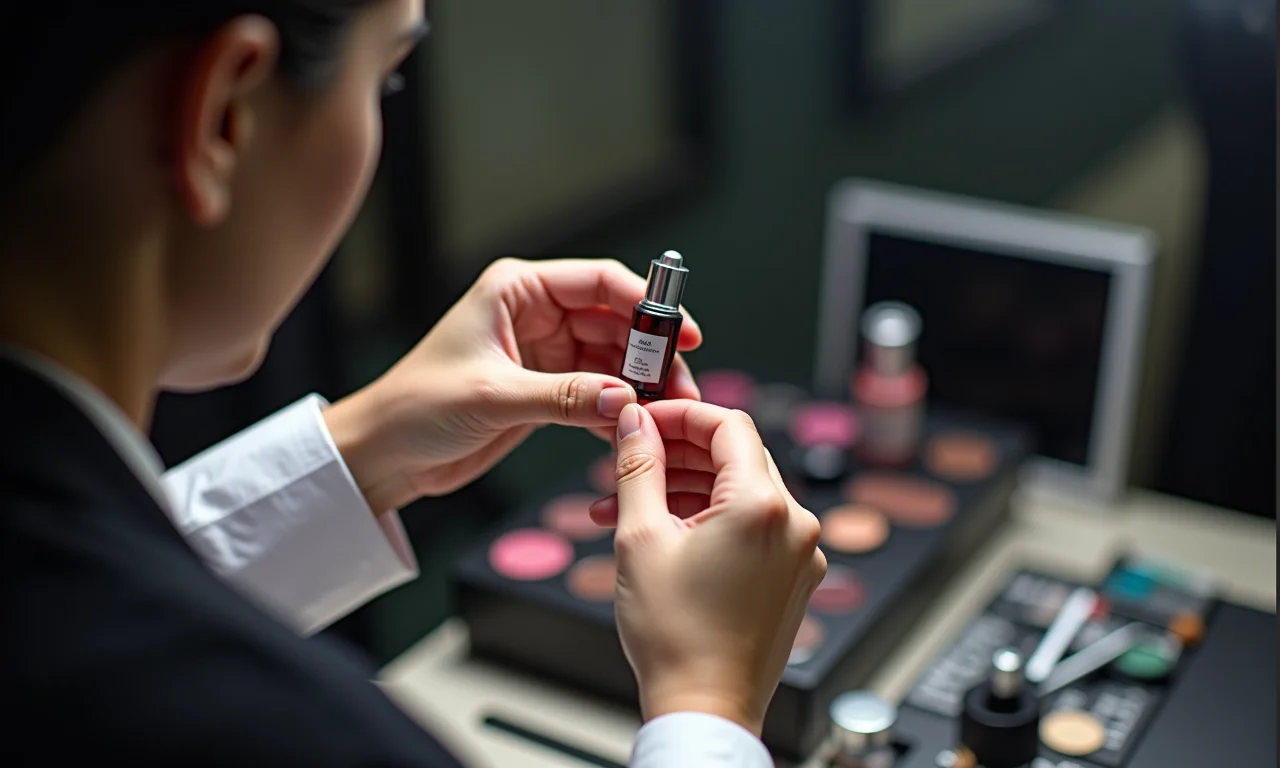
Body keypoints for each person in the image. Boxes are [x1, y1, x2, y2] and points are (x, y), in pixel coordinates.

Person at [0, 1, 827, 766]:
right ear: (224, 115)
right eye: (386, 76)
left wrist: (366, 448)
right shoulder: (318, 738)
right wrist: (708, 707)